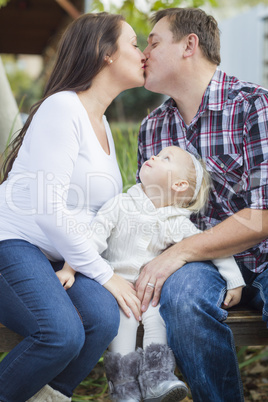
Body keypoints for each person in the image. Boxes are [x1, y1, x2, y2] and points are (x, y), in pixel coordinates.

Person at [0, 12, 145, 402]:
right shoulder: (63, 108)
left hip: (60, 258)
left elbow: (92, 215)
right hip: (13, 242)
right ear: (105, 53)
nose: (142, 52)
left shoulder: (102, 124)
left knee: (102, 319)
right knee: (59, 334)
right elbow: (49, 209)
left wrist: (79, 264)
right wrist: (103, 273)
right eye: (134, 43)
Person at [135, 7, 268, 402]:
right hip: (201, 266)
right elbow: (148, 213)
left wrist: (179, 252)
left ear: (189, 45)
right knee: (181, 296)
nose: (144, 53)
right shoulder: (152, 128)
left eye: (154, 43)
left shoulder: (254, 107)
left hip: (263, 255)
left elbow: (263, 215)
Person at [57, 145, 245, 402]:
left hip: (150, 290)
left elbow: (212, 247)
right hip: (117, 284)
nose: (154, 156)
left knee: (158, 315)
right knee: (125, 319)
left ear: (179, 185)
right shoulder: (121, 203)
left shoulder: (175, 221)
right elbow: (93, 239)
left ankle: (157, 376)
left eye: (166, 158)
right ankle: (123, 385)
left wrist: (233, 280)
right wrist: (69, 268)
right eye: (158, 154)